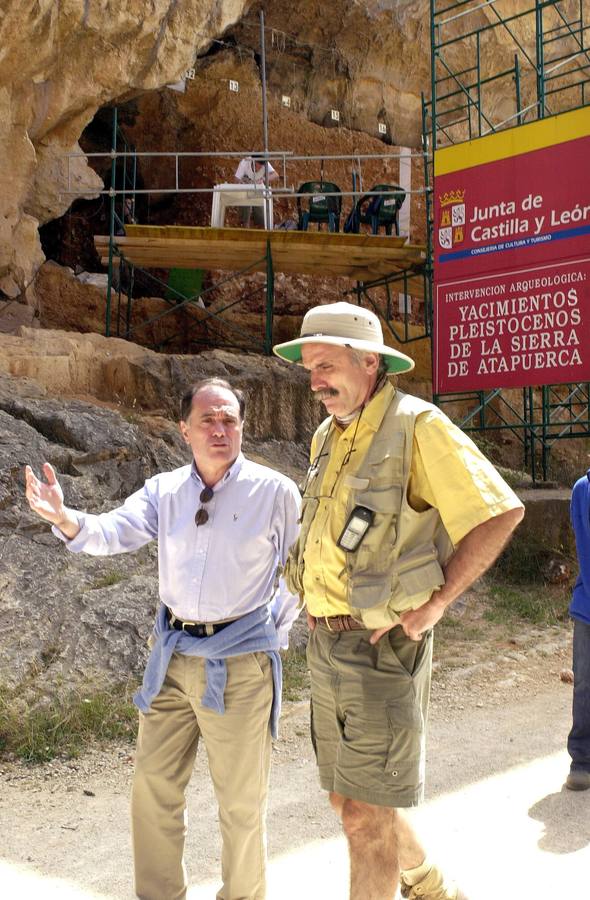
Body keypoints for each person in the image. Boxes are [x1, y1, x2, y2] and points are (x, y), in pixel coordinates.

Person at [273, 302, 525, 900]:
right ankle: (428, 883)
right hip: (328, 642)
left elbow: (500, 512)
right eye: (310, 369)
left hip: (385, 648)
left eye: (327, 366)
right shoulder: (326, 436)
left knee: (365, 816)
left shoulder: (419, 426)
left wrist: (436, 604)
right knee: (346, 799)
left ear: (369, 363)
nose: (316, 383)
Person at [24, 377, 301, 900]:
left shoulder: (275, 492)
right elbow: (113, 531)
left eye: (229, 420)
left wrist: (270, 637)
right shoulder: (165, 491)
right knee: (152, 793)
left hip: (240, 665)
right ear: (184, 429)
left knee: (241, 804)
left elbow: (298, 572)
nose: (220, 429)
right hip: (171, 659)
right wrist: (64, 518)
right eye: (208, 420)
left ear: (242, 427)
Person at [565, 468, 590, 791]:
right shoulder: (583, 489)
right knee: (584, 685)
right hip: (588, 606)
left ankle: (582, 760)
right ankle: (581, 760)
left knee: (585, 684)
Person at [234, 154, 278, 227]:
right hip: (246, 189)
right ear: (253, 162)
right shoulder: (245, 162)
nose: (259, 168)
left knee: (261, 216)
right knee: (245, 209)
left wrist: (263, 179)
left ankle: (259, 228)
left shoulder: (265, 162)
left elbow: (275, 175)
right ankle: (245, 227)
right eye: (258, 166)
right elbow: (236, 179)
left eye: (261, 167)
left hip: (258, 190)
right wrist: (243, 183)